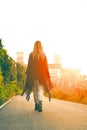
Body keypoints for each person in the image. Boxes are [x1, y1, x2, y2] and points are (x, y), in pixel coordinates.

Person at [21, 40, 53, 112]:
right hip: (42, 76)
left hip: (34, 76)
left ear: (34, 46)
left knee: (36, 90)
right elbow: (46, 67)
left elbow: (29, 66)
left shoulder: (31, 55)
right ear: (41, 46)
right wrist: (48, 76)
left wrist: (28, 75)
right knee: (40, 90)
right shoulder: (43, 55)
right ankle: (39, 103)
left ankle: (37, 104)